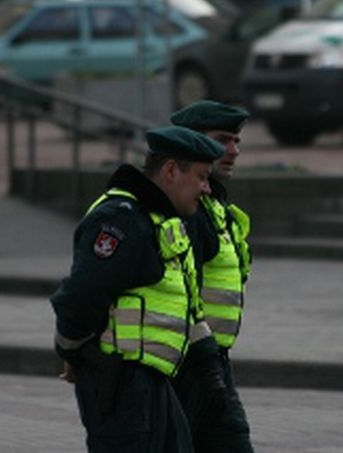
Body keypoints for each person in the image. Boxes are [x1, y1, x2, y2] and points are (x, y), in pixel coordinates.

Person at [50, 126, 228, 452]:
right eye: (202, 177)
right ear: (172, 170)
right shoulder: (123, 218)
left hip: (152, 379)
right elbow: (81, 297)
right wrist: (73, 351)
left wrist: (209, 364)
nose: (206, 189)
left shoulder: (159, 219)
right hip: (123, 383)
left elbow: (181, 303)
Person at [169, 100, 254, 452]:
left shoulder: (217, 208)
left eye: (236, 141)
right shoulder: (188, 210)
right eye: (222, 140)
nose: (232, 150)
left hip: (212, 359)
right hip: (188, 361)